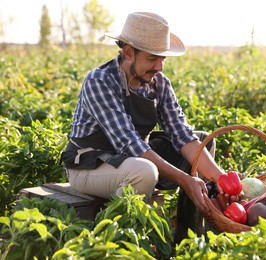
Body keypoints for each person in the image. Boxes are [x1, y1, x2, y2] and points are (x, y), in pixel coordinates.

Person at [60, 12, 225, 242]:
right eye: (152, 58)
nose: (159, 66)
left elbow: (182, 135)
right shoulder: (99, 81)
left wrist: (224, 180)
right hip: (89, 166)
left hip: (132, 160)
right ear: (129, 52)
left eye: (163, 58)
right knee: (144, 172)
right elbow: (130, 145)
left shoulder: (159, 84)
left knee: (203, 141)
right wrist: (185, 180)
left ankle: (187, 237)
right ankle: (121, 239)